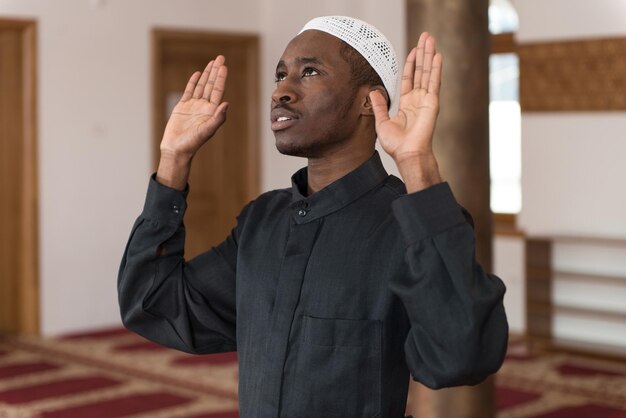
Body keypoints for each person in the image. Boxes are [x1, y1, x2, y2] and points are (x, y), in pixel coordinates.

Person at [118, 15, 508, 418]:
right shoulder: (262, 220)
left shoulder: (410, 222)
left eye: (309, 72)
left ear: (367, 101)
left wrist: (416, 163)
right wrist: (173, 161)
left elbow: (461, 357)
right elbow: (152, 304)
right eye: (280, 75)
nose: (281, 92)